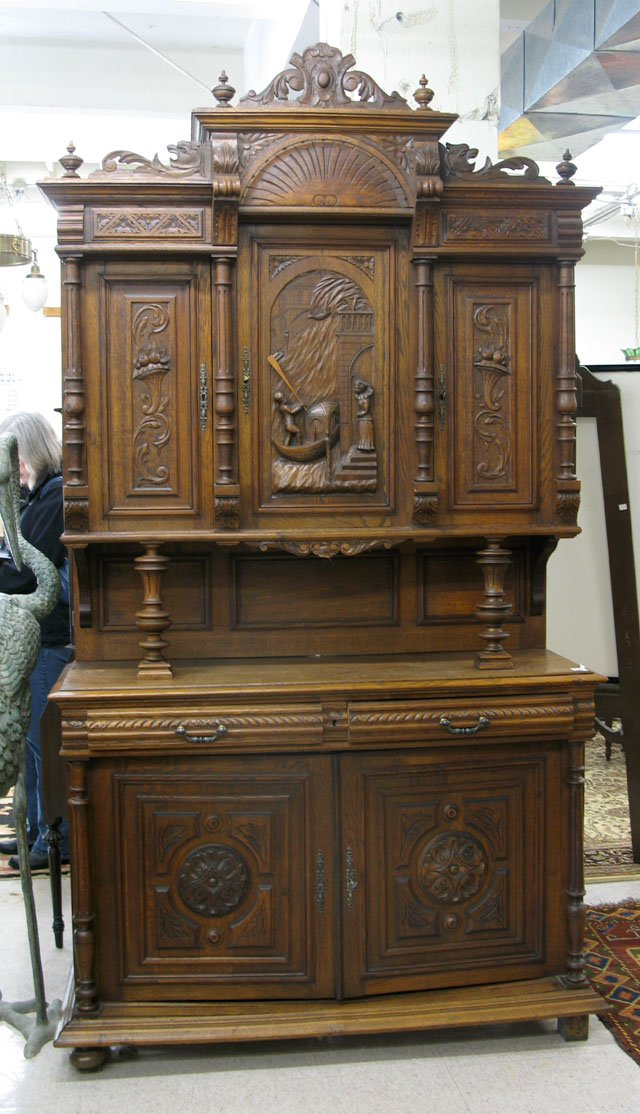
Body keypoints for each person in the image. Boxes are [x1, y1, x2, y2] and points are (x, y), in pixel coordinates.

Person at [0, 411, 71, 870]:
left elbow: (26, 571)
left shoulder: (56, 498)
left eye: (16, 459)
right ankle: (29, 830)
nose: (15, 470)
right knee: (27, 740)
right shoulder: (36, 498)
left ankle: (52, 839)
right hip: (35, 637)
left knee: (42, 743)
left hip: (50, 638)